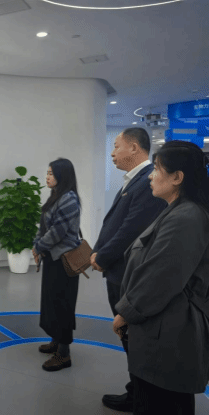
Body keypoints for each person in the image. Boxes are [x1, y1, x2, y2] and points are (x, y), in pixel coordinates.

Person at [113, 141, 209, 414]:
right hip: (162, 325)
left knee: (162, 403)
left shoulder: (186, 217)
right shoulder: (177, 210)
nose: (151, 176)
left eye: (156, 169)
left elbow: (161, 277)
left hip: (169, 331)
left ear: (177, 177)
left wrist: (126, 313)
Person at [91, 128, 166, 411]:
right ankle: (137, 391)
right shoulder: (134, 180)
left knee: (132, 337)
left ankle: (140, 396)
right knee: (129, 338)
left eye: (116, 146)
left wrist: (102, 256)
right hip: (119, 270)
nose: (112, 153)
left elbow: (130, 230)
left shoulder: (146, 182)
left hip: (127, 274)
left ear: (134, 148)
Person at [32, 158, 81, 372]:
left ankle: (64, 354)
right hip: (52, 258)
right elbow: (43, 227)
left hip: (64, 261)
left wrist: (38, 247)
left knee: (62, 305)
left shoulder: (68, 199)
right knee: (51, 302)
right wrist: (37, 245)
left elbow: (57, 232)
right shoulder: (55, 196)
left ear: (63, 175)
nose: (47, 176)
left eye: (51, 173)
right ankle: (56, 340)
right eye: (47, 172)